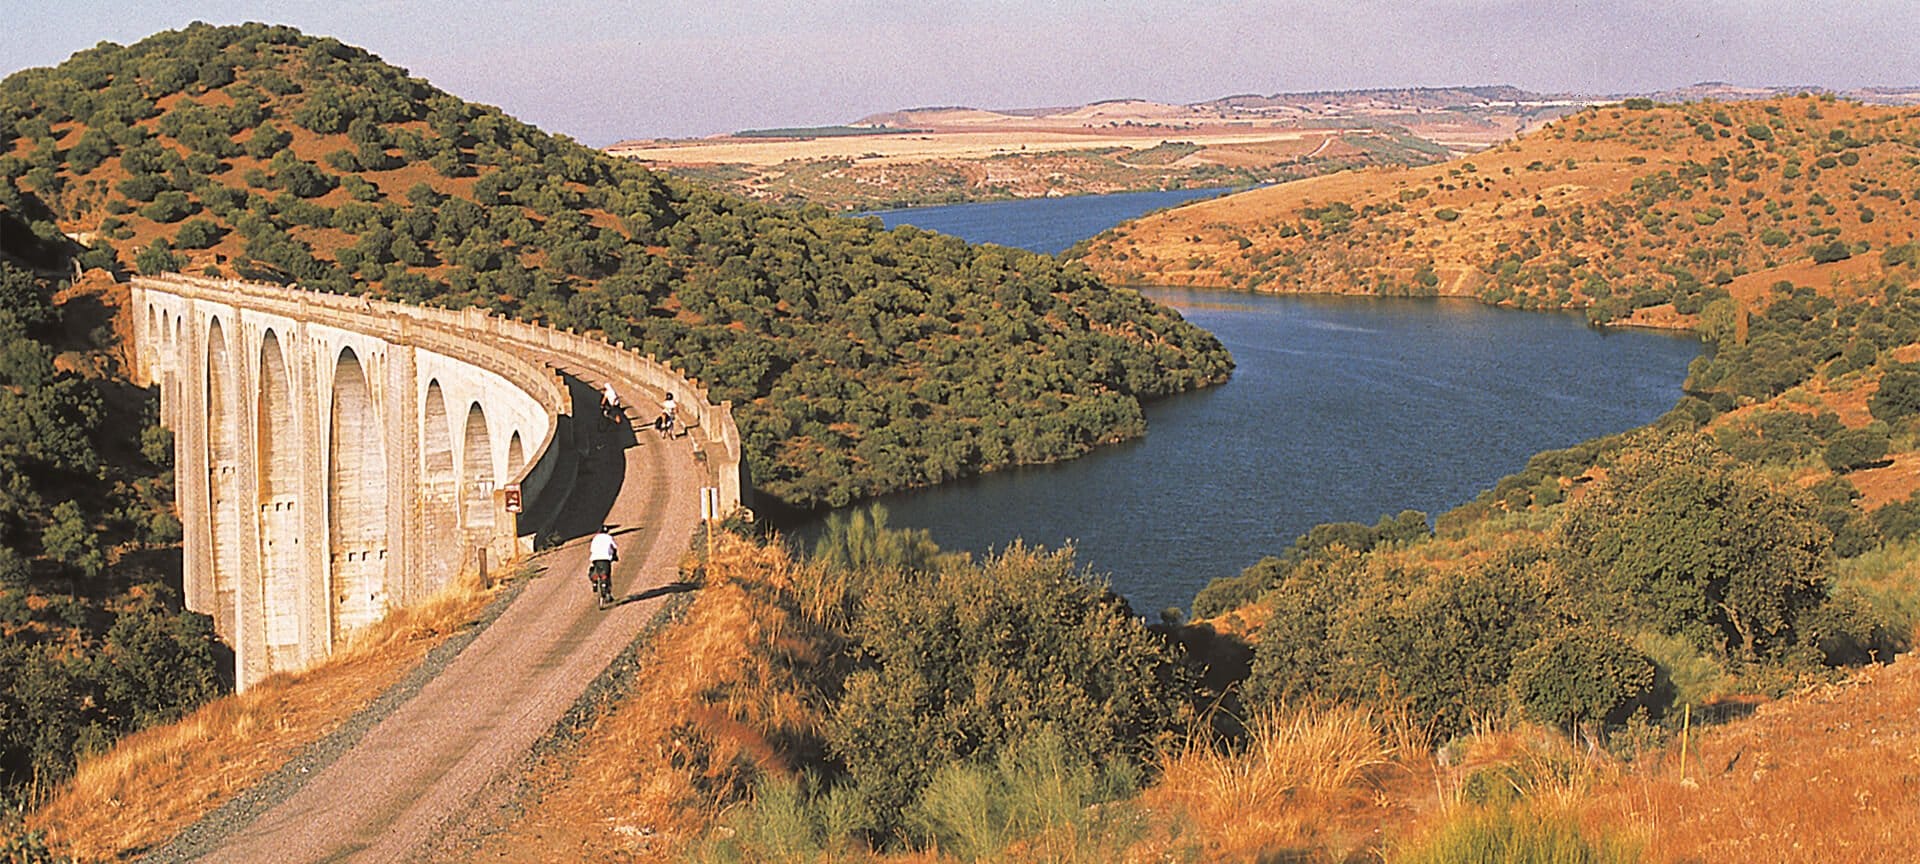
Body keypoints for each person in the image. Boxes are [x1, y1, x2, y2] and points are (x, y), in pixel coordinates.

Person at [588, 524, 617, 606]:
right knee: (606, 575)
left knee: (595, 570)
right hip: (606, 558)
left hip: (595, 558)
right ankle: (607, 593)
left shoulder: (595, 538)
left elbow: (591, 549)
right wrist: (614, 556)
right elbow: (614, 547)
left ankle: (594, 581)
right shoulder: (609, 537)